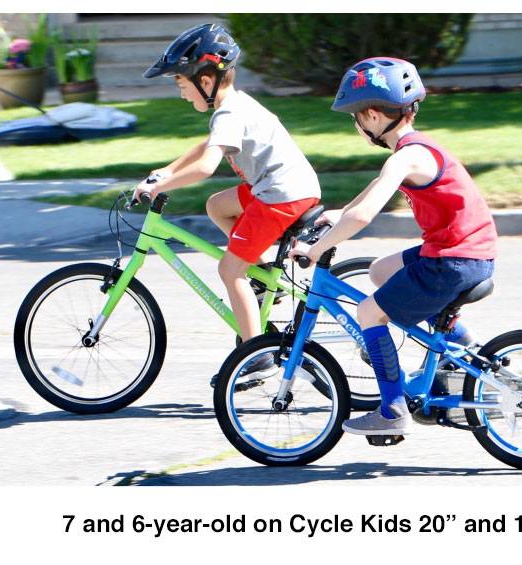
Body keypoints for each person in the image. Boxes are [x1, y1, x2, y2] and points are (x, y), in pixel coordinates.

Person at [292, 57, 497, 435]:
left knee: (370, 313)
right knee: (379, 270)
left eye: (355, 117)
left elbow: (364, 216)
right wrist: (339, 213)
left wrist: (316, 249)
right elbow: (371, 195)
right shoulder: (415, 149)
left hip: (452, 262)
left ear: (371, 115)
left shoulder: (405, 156)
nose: (356, 125)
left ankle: (392, 411)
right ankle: (465, 354)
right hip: (465, 253)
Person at [135, 24, 321, 380]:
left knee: (229, 270)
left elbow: (206, 166)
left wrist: (160, 188)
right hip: (279, 187)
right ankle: (264, 274)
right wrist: (167, 169)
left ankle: (257, 356)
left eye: (180, 83)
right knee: (217, 206)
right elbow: (207, 147)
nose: (180, 93)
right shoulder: (232, 106)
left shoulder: (229, 112)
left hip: (281, 195)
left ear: (206, 81)